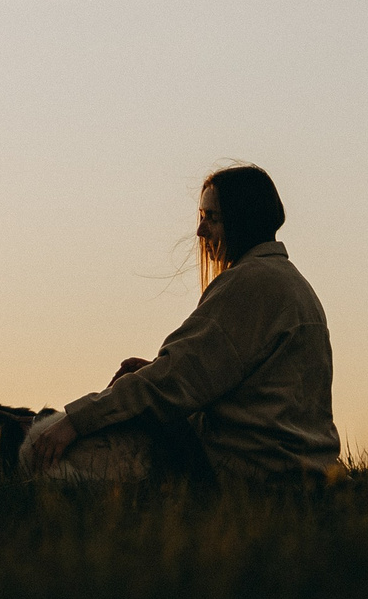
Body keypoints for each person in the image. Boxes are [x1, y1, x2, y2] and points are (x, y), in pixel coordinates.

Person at [26, 164, 341, 483]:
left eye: (212, 218)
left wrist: (76, 422)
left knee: (43, 453)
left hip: (251, 470)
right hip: (297, 467)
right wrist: (151, 370)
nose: (201, 232)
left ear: (242, 220)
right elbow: (232, 385)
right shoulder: (292, 283)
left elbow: (171, 381)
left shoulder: (249, 283)